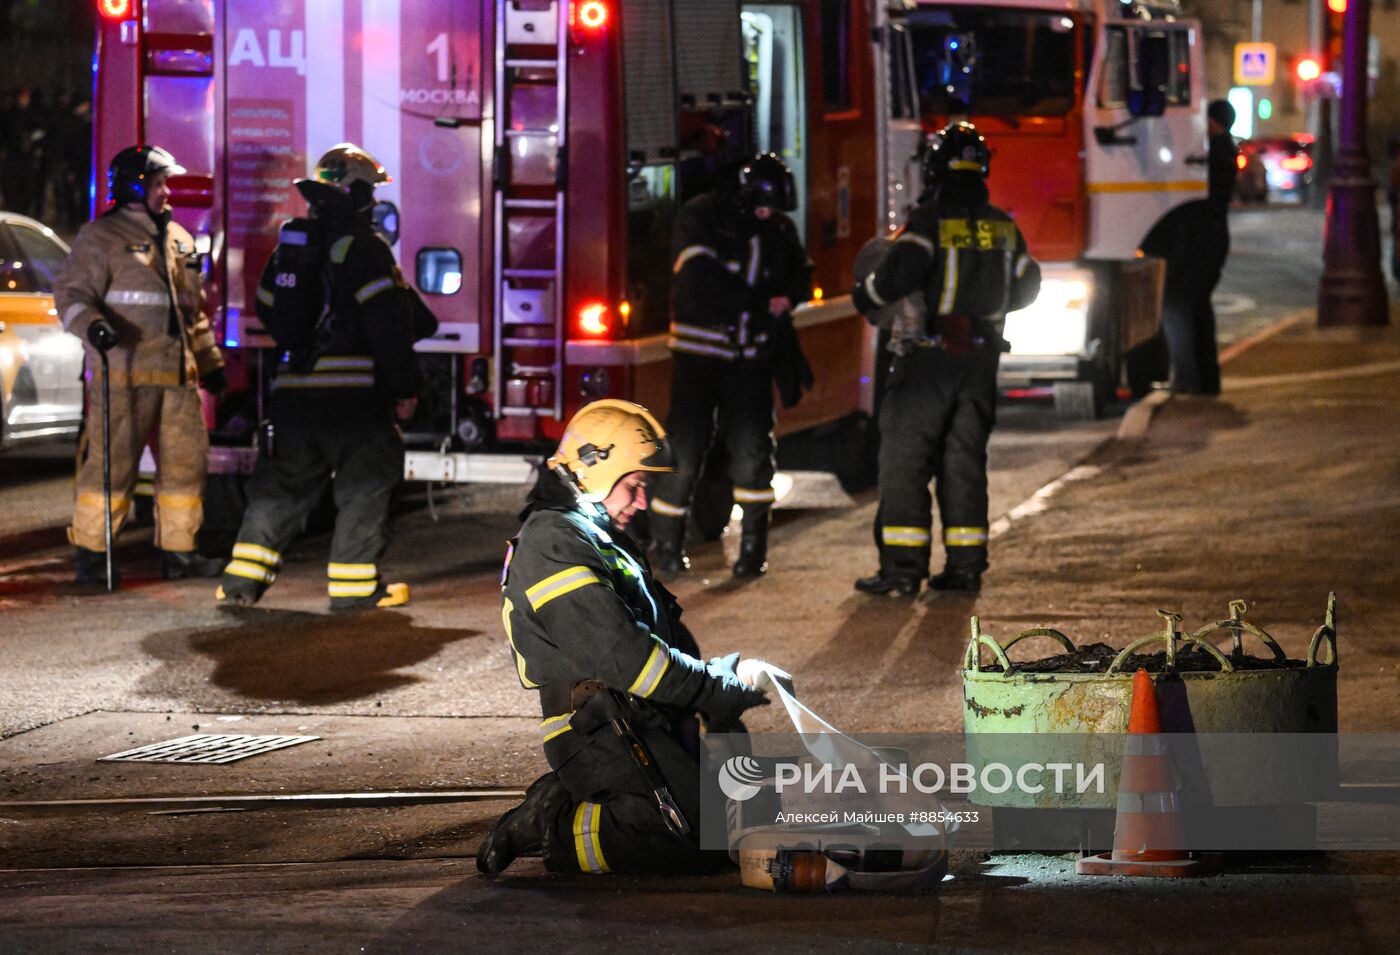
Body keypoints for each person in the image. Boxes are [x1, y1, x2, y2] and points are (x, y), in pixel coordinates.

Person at [477, 399, 770, 876]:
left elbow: (657, 634)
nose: (642, 502)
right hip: (595, 726)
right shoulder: (553, 545)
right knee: (695, 838)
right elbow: (626, 659)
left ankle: (596, 799)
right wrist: (709, 688)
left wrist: (716, 678)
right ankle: (554, 821)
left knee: (741, 819)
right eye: (634, 486)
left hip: (639, 710)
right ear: (595, 472)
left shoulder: (593, 533)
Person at [215, 143, 436, 611]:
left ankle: (239, 584)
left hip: (294, 395)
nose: (374, 203)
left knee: (281, 488)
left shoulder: (292, 248)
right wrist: (403, 387)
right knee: (365, 485)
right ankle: (355, 588)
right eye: (371, 194)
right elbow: (389, 324)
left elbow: (272, 314)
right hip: (355, 400)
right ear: (356, 195)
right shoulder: (366, 249)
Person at [850, 122, 1040, 597]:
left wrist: (864, 293)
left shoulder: (930, 221)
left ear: (935, 167)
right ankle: (965, 569)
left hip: (926, 363)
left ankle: (902, 571)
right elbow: (1028, 285)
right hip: (979, 365)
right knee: (964, 465)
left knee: (904, 463)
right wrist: (983, 317)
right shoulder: (1002, 225)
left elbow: (896, 275)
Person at [55, 145, 227, 586]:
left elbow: (193, 312)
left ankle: (180, 553)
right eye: (158, 184)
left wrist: (210, 362)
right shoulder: (100, 238)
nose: (166, 192)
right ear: (134, 187)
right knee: (112, 467)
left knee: (186, 466)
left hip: (178, 377)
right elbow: (72, 296)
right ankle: (94, 555)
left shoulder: (180, 241)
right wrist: (93, 327)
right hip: (124, 375)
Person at [648, 153, 813, 578]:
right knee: (683, 450)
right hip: (699, 356)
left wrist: (788, 298)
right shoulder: (701, 217)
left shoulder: (778, 229)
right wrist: (762, 302)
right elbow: (700, 281)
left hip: (750, 359)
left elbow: (799, 275)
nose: (768, 215)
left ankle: (753, 552)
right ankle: (666, 546)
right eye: (762, 206)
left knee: (753, 453)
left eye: (775, 209)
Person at [1152, 99, 1237, 396]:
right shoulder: (1224, 150)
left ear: (1214, 122)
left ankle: (1188, 379)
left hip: (1199, 241)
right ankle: (1205, 380)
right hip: (1209, 240)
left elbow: (1198, 201)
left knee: (1176, 305)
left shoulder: (1213, 153)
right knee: (1197, 307)